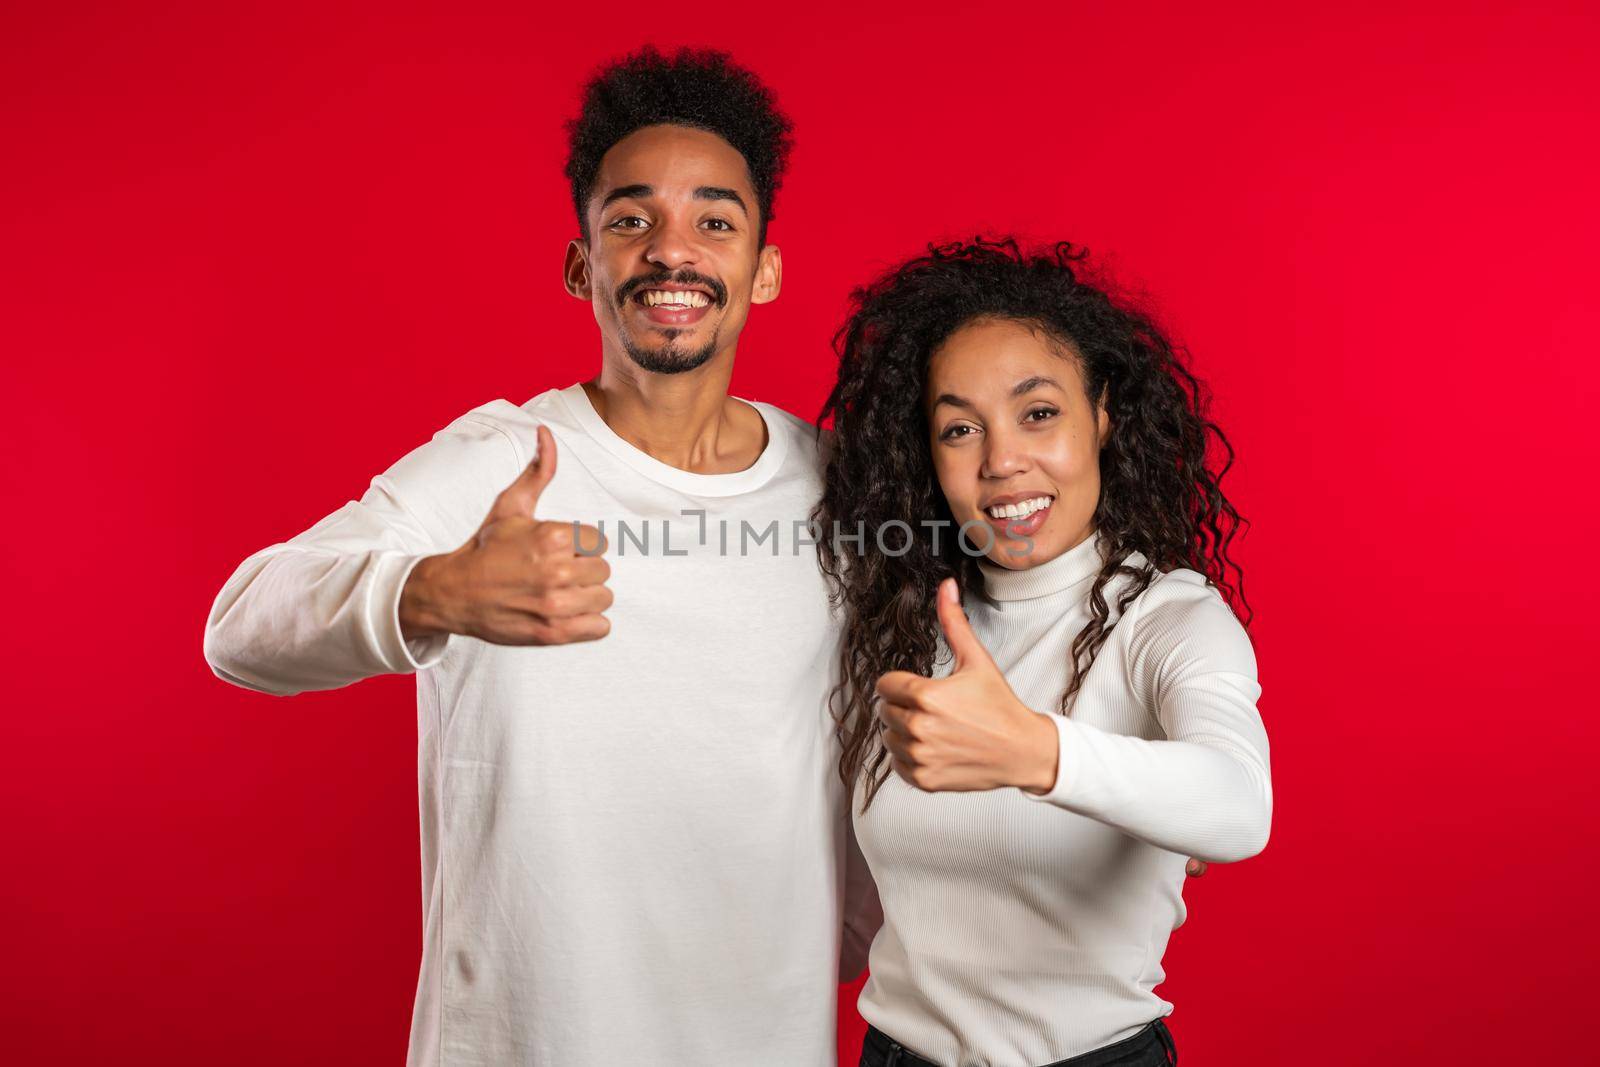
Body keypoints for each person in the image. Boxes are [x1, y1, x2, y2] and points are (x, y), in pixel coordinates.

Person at [203, 47, 879, 1066]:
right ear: (581, 264)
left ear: (764, 267)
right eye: (629, 218)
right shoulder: (500, 461)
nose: (670, 250)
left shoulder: (838, 487)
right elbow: (239, 627)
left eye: (714, 219)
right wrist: (430, 591)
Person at [813, 238, 1274, 1067]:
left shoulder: (1166, 618)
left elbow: (1241, 805)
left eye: (1038, 412)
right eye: (961, 427)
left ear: (1102, 414)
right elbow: (861, 911)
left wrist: (1037, 751)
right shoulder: (903, 621)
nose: (1001, 460)